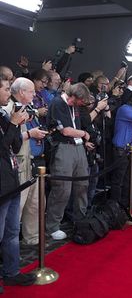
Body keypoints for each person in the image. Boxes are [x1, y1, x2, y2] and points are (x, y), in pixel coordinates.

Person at [0, 76, 36, 292]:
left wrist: (16, 124)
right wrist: (14, 124)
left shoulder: (4, 115)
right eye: (5, 89)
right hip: (2, 184)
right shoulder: (7, 117)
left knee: (12, 231)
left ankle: (11, 273)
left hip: (12, 180)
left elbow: (13, 144)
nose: (8, 92)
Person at [46, 83, 91, 240]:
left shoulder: (75, 107)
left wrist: (83, 138)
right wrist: (84, 134)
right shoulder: (58, 103)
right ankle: (52, 225)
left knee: (82, 184)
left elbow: (72, 128)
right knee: (62, 189)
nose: (83, 104)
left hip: (77, 147)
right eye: (81, 101)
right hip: (63, 148)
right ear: (74, 97)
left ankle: (80, 220)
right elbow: (65, 130)